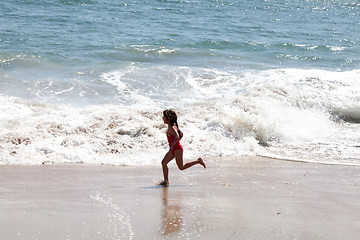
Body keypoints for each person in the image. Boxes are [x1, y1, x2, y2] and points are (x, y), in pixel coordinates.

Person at [160, 109, 206, 186]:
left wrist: (172, 146)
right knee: (163, 163)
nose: (162, 118)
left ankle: (198, 161)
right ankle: (166, 181)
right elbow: (181, 134)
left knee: (181, 167)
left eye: (164, 117)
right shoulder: (171, 126)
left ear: (168, 118)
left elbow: (177, 136)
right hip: (174, 149)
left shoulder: (172, 127)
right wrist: (172, 146)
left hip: (177, 149)